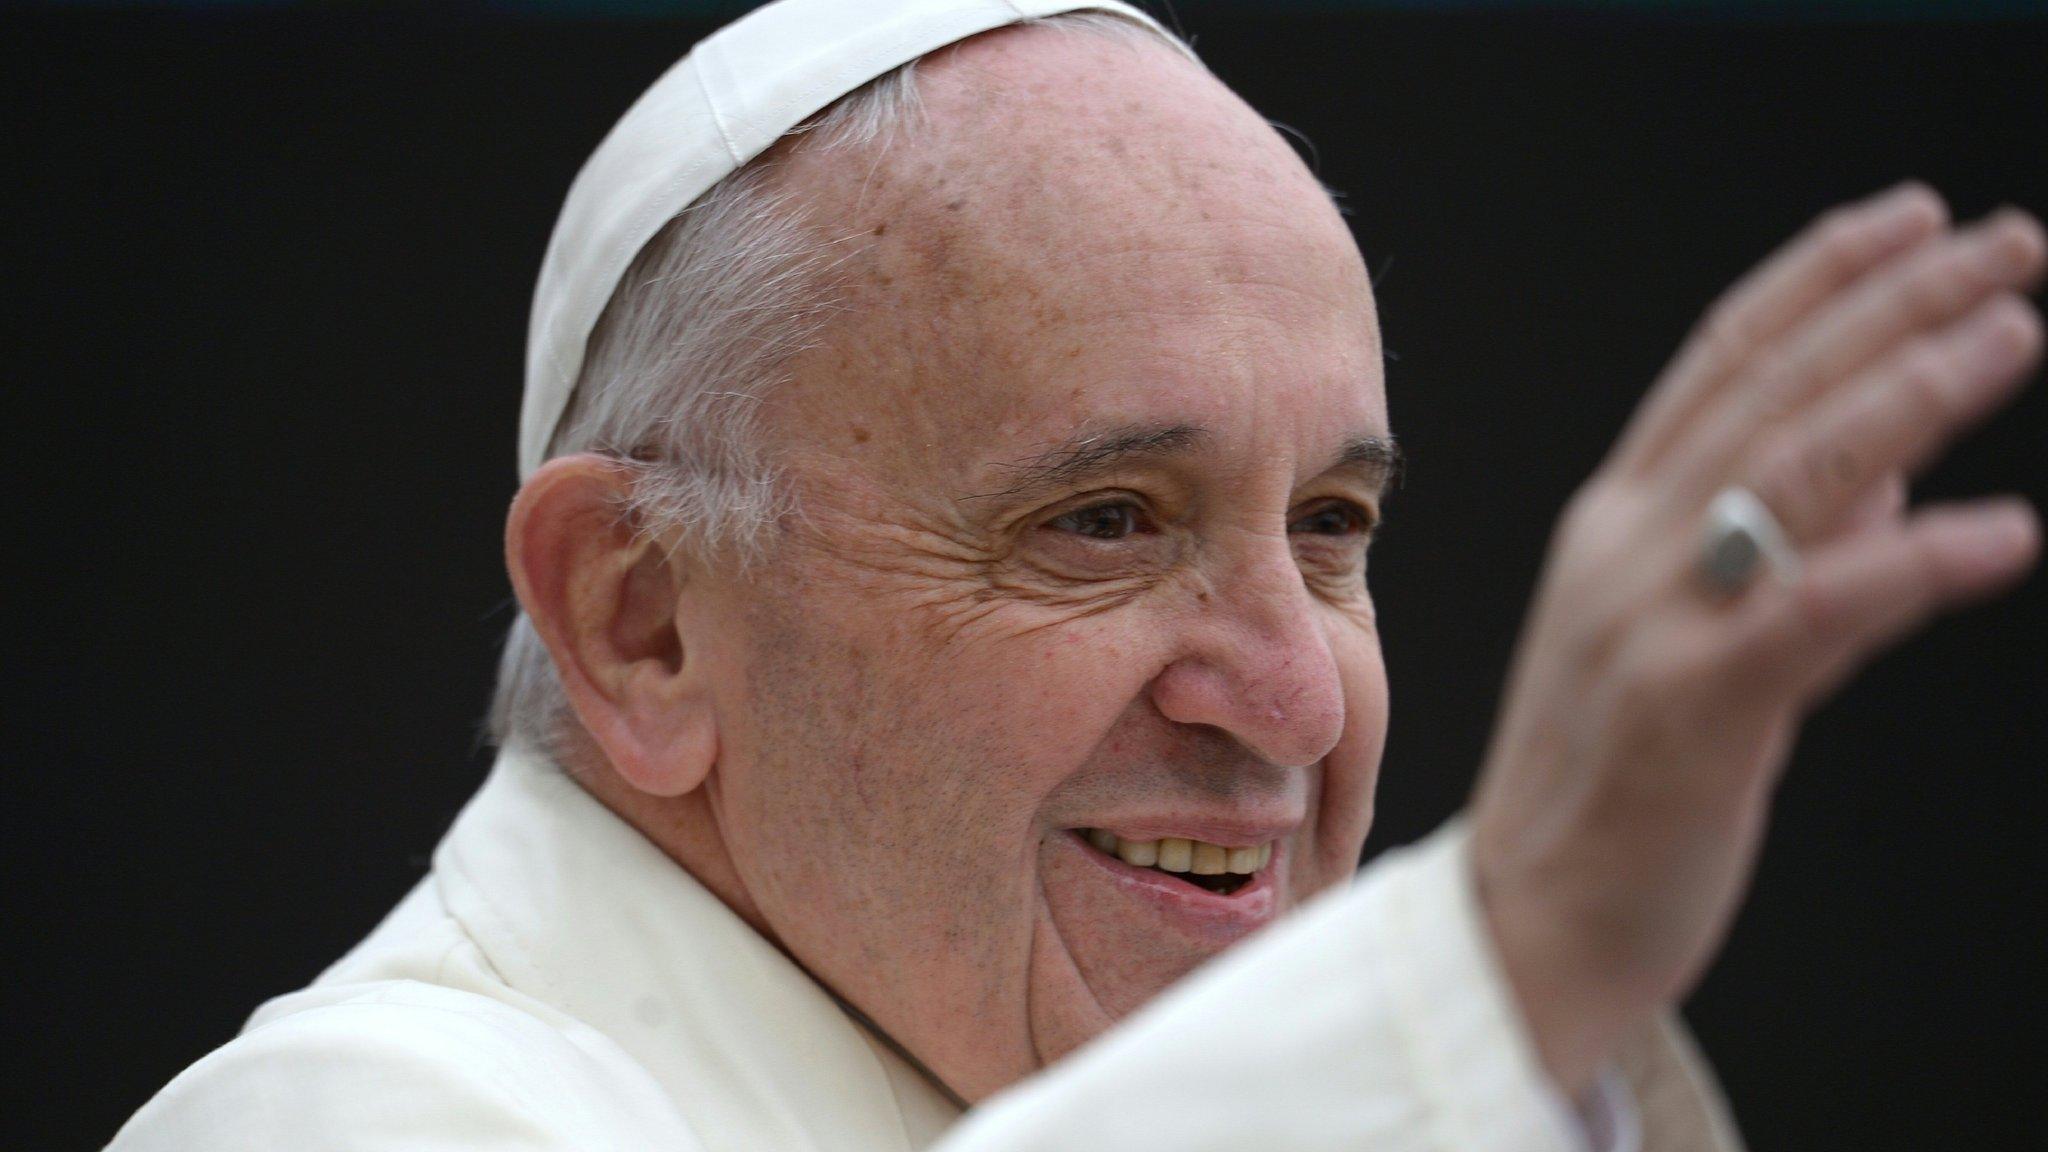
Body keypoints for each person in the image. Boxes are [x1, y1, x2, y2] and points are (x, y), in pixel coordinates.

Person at [107, 0, 2043, 1148]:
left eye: (1330, 530)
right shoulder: (348, 1122)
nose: (1293, 703)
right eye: (1103, 520)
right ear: (645, 616)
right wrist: (1503, 947)